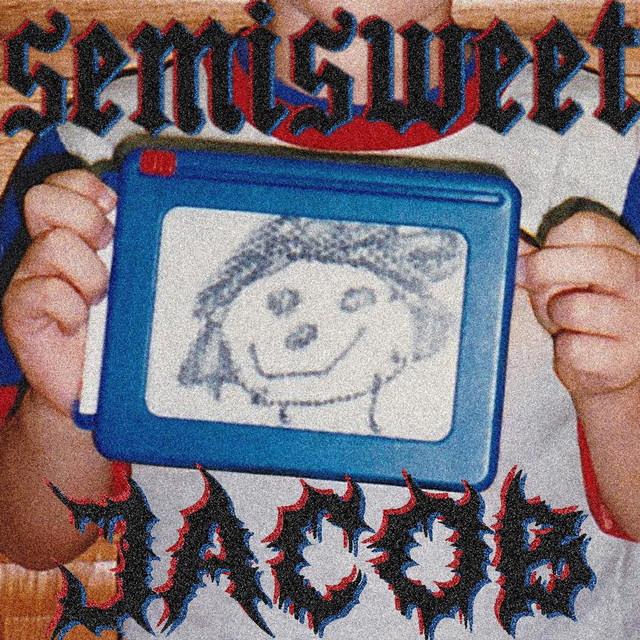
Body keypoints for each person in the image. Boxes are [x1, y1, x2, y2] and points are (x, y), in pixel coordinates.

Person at [1, 0, 640, 637]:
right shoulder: (93, 147)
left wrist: (620, 394)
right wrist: (59, 407)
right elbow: (27, 536)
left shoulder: (609, 143)